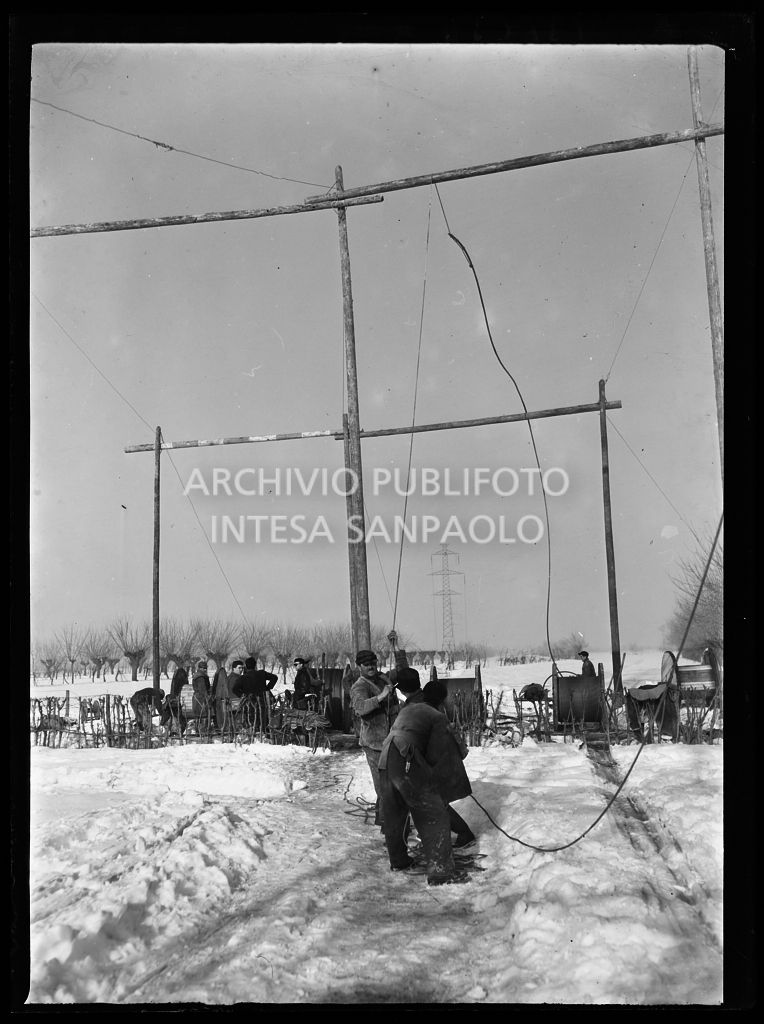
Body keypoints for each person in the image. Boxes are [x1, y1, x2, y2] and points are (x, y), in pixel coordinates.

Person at [379, 679, 472, 886]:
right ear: (442, 700)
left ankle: (399, 861)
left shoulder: (408, 709)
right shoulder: (436, 716)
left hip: (386, 759)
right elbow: (436, 754)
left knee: (395, 812)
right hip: (406, 761)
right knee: (434, 814)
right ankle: (441, 872)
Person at [394, 667, 476, 849]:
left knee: (433, 802)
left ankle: (462, 833)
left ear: (402, 689)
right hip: (436, 759)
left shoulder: (414, 707)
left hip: (433, 761)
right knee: (435, 801)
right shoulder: (424, 699)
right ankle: (455, 833)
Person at [350, 649, 399, 828]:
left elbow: (402, 670)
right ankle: (389, 827)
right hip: (374, 744)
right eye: (366, 664)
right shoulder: (359, 686)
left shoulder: (382, 678)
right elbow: (360, 708)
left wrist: (395, 646)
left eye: (373, 663)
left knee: (389, 783)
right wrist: (381, 696)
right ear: (359, 666)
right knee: (384, 786)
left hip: (389, 739)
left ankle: (382, 818)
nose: (371, 667)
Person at [232, 657, 278, 731]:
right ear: (255, 665)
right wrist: (267, 688)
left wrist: (243, 695)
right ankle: (263, 732)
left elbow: (234, 689)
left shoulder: (243, 678)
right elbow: (275, 677)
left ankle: (253, 732)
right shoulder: (261, 673)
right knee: (263, 719)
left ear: (246, 666)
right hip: (262, 702)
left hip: (249, 703)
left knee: (251, 721)